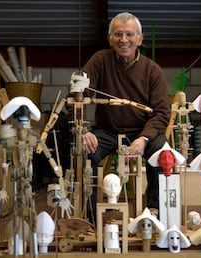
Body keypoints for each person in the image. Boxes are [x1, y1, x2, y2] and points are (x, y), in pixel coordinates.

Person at [76, 12, 170, 217]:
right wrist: (83, 131)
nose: (124, 40)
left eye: (129, 34)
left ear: (139, 39)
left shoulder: (152, 70)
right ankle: (90, 217)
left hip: (141, 131)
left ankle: (155, 214)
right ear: (110, 39)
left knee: (161, 153)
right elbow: (77, 96)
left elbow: (162, 112)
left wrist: (144, 139)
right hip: (107, 131)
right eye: (118, 34)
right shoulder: (99, 60)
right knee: (83, 152)